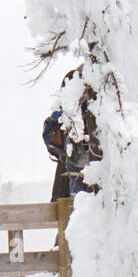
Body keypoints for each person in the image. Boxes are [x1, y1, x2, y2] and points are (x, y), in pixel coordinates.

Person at [45, 69, 102, 200]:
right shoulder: (95, 102)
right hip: (83, 163)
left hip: (68, 164)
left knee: (70, 205)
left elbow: (51, 141)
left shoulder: (63, 110)